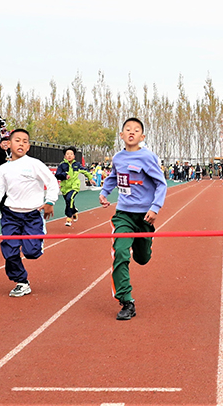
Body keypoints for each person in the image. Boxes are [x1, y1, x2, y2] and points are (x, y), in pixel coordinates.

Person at [99, 117, 167, 320]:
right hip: (123, 215)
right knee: (120, 252)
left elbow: (161, 184)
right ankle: (126, 301)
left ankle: (146, 242)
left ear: (142, 136)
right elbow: (113, 176)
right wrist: (105, 192)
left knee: (142, 258)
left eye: (136, 130)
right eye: (127, 129)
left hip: (145, 216)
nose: (131, 132)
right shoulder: (118, 158)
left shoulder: (148, 157)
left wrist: (155, 208)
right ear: (121, 135)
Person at [0, 129, 59, 297]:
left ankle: (39, 235)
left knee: (32, 253)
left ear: (28, 147)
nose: (21, 143)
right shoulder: (4, 169)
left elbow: (52, 182)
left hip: (32, 215)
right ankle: (21, 281)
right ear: (9, 144)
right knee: (10, 252)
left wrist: (50, 201)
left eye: (25, 141)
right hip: (11, 215)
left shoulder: (35, 164)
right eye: (17, 140)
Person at [55, 146, 95, 227]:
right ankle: (74, 210)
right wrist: (64, 175)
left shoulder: (77, 165)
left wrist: (90, 178)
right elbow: (57, 175)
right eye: (67, 154)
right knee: (68, 201)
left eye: (71, 154)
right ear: (64, 156)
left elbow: (85, 171)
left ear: (74, 156)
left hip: (74, 187)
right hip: (65, 188)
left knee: (70, 198)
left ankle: (69, 218)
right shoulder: (62, 165)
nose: (69, 156)